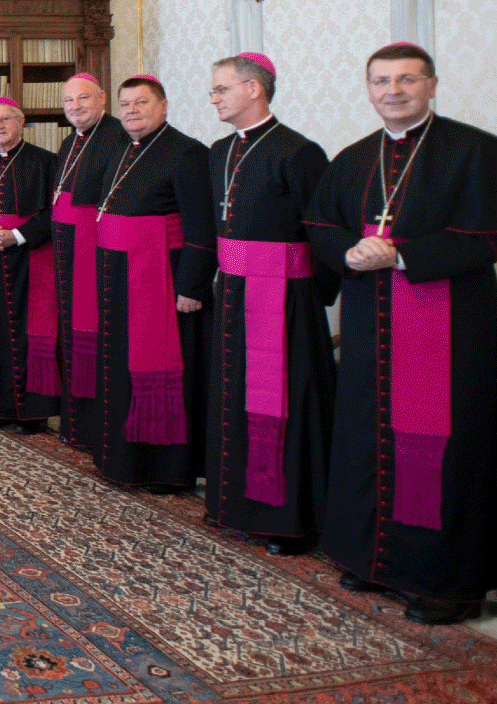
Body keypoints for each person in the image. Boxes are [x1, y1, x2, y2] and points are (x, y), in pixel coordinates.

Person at [305, 43, 497, 624]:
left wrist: (402, 256)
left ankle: (443, 582)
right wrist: (348, 251)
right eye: (381, 81)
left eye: (407, 80)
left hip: (446, 325)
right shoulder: (354, 157)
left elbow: (487, 236)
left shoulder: (475, 150)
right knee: (367, 432)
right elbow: (319, 223)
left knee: (438, 446)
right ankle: (370, 558)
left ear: (432, 85)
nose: (393, 91)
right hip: (372, 322)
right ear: (368, 89)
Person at [203, 53, 334, 556]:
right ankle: (235, 506)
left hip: (284, 300)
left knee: (283, 404)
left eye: (221, 89)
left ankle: (288, 521)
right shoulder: (220, 151)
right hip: (233, 293)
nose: (214, 98)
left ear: (254, 88)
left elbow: (323, 232)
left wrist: (311, 296)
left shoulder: (298, 151)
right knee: (233, 397)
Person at [89, 76, 214, 492]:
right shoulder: (121, 149)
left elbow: (201, 227)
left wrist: (192, 286)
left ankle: (164, 470)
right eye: (125, 104)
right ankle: (121, 460)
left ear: (163, 105)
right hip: (121, 278)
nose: (131, 111)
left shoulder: (188, 152)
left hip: (162, 280)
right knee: (120, 367)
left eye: (141, 102)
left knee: (163, 370)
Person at [0, 99, 59, 432]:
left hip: (31, 259)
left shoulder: (45, 162)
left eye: (5, 119)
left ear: (21, 122)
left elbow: (54, 213)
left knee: (30, 333)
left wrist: (16, 236)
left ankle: (33, 413)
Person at [53, 73, 128, 447]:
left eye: (83, 98)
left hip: (95, 253)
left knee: (97, 337)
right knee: (72, 335)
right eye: (69, 101)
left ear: (102, 98)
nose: (75, 107)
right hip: (67, 253)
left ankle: (99, 428)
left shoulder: (117, 137)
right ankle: (76, 426)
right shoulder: (70, 141)